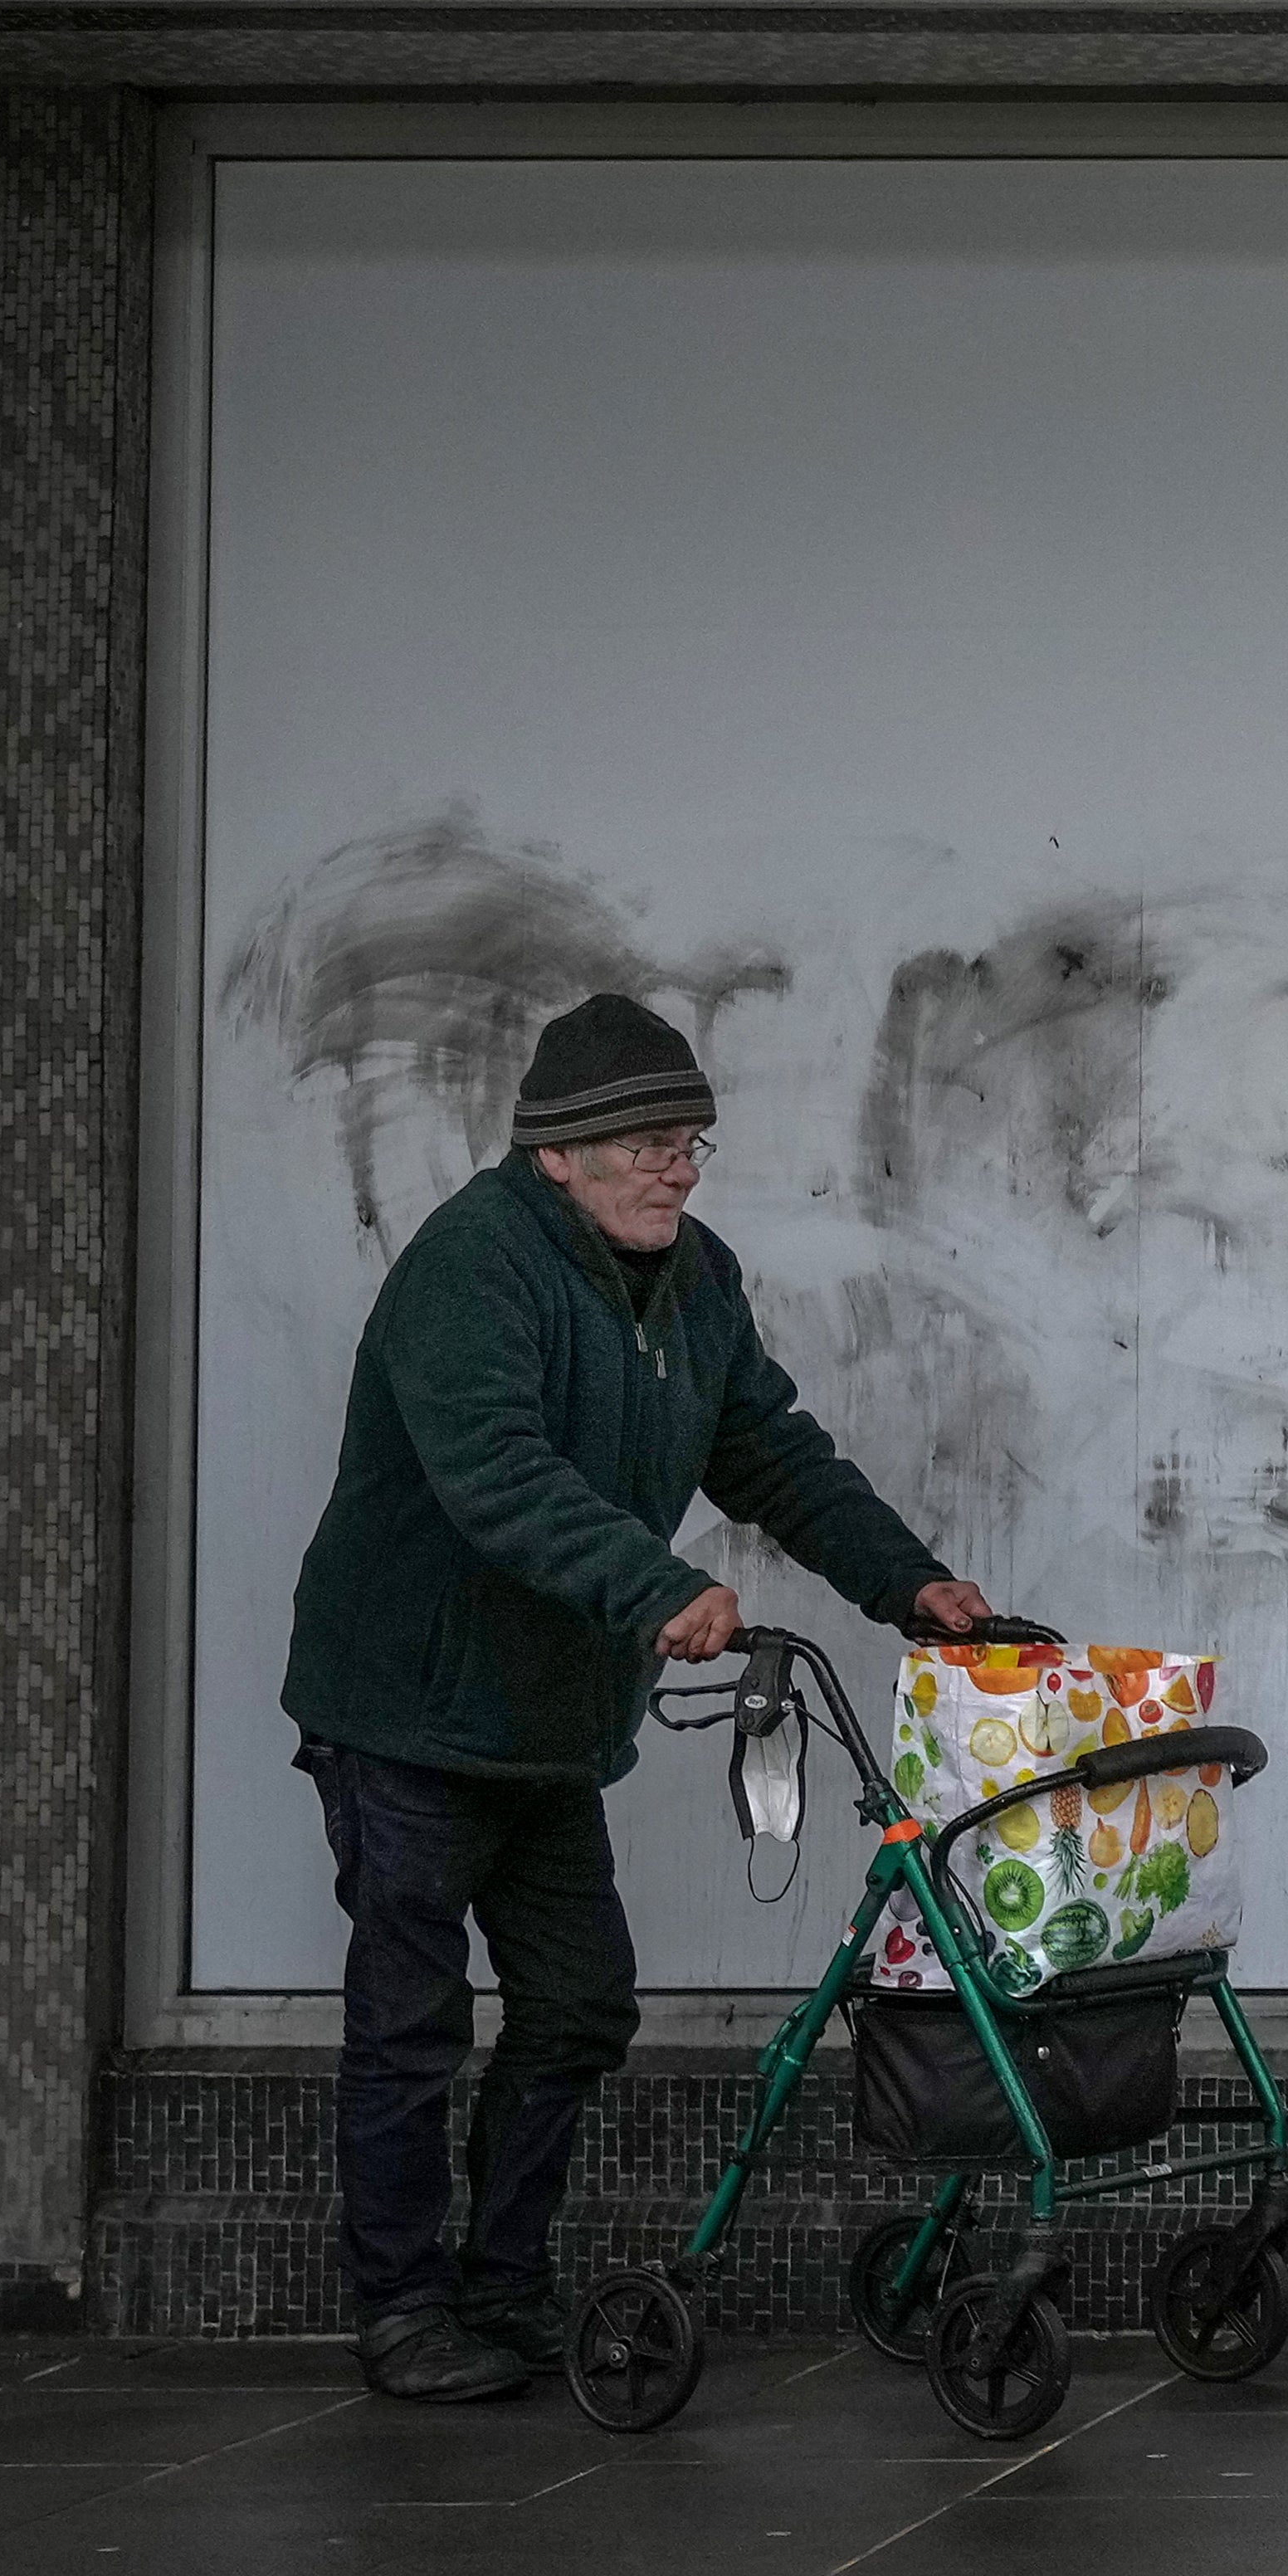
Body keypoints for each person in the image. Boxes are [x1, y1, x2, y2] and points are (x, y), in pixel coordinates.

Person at [282, 992, 998, 2399]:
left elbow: (772, 1454)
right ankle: (403, 2306)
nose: (677, 1164)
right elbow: (494, 1471)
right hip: (411, 1715)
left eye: (692, 1142)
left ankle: (506, 2288)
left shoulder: (694, 1276)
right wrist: (654, 1585)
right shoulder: (470, 1267)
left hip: (548, 1722)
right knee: (412, 2020)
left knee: (578, 2005)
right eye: (648, 1141)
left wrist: (912, 1588)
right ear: (556, 1151)